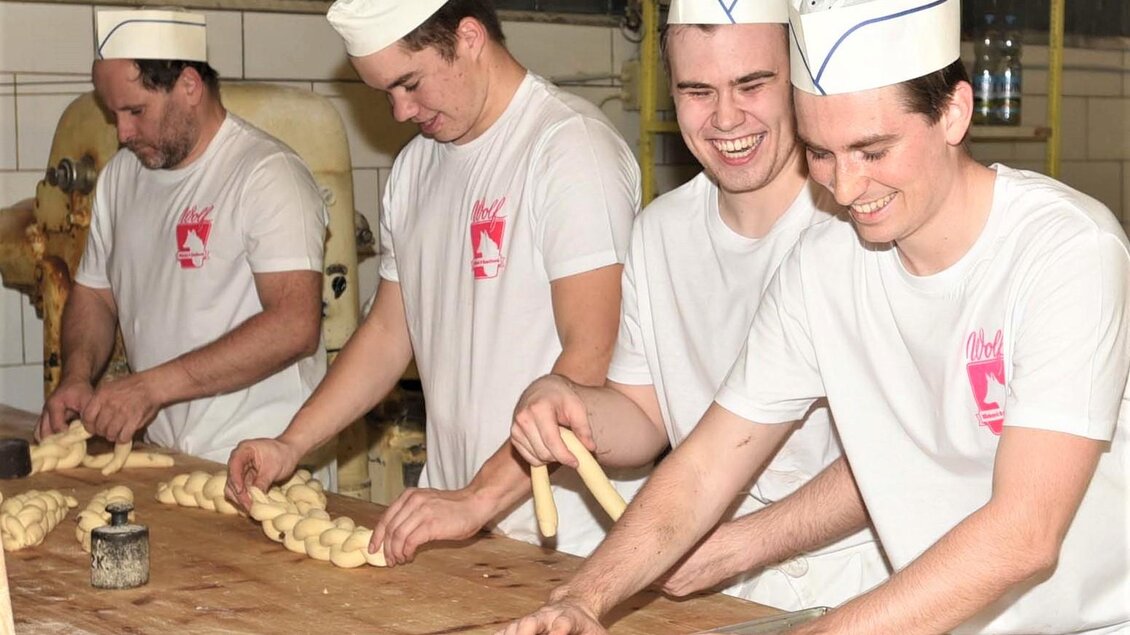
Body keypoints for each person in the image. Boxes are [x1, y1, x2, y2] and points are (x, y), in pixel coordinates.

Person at [500, 0, 1130, 633]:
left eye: (872, 151)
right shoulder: (824, 262)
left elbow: (1023, 533)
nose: (846, 189)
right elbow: (706, 465)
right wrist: (582, 599)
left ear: (953, 113)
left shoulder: (1065, 250)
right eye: (821, 154)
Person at [225, 0, 643, 561]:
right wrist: (290, 443)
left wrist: (477, 498)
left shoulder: (568, 149)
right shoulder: (414, 168)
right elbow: (387, 335)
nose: (400, 111)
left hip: (570, 539)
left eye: (410, 83)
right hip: (458, 525)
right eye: (386, 93)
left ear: (469, 37)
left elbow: (594, 354)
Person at [508, 0, 887, 612]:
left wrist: (739, 545)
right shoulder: (661, 233)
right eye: (697, 91)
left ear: (797, 81)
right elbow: (645, 415)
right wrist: (571, 405)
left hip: (863, 584)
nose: (726, 118)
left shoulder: (861, 227)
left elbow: (899, 452)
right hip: (718, 591)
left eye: (752, 85)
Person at [37, 9, 329, 467]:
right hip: (169, 458)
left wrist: (152, 387)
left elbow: (295, 325)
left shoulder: (266, 175)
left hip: (268, 458)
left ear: (189, 86)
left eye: (136, 111)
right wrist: (77, 375)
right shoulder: (120, 178)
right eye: (113, 114)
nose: (123, 133)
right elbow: (95, 296)